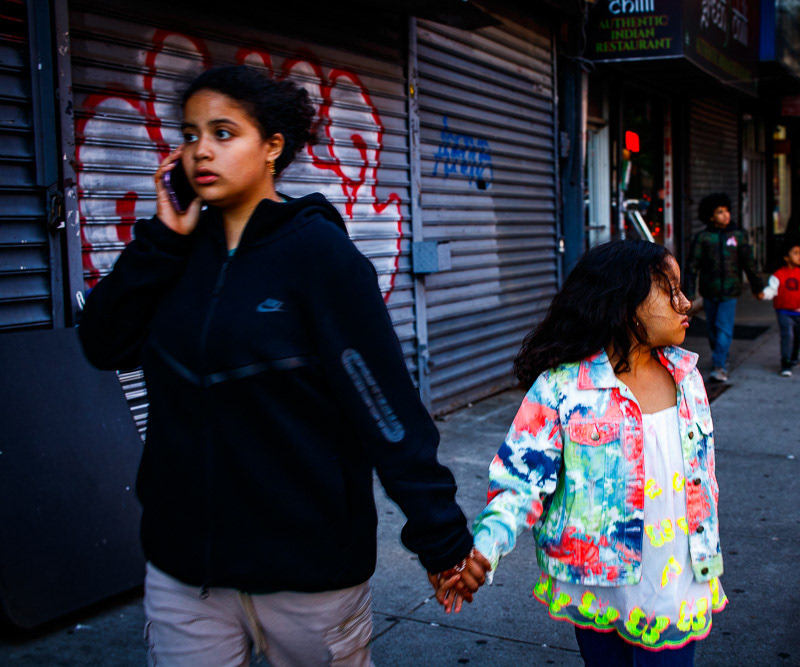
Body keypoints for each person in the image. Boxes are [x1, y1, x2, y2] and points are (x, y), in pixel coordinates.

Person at [78, 65, 487, 667]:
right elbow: (102, 343)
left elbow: (384, 408)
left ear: (273, 146)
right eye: (190, 135)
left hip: (308, 572)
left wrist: (441, 537)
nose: (201, 150)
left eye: (223, 133)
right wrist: (162, 238)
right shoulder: (174, 254)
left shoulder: (319, 255)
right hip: (186, 570)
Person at [448, 240, 727, 665]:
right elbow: (520, 483)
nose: (685, 303)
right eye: (669, 291)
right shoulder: (561, 388)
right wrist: (484, 549)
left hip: (678, 578)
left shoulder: (688, 378)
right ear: (625, 305)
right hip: (597, 583)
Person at [683, 193, 764, 383]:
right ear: (711, 216)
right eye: (720, 212)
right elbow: (692, 267)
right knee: (712, 329)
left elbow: (749, 263)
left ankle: (719, 366)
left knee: (723, 327)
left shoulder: (738, 236)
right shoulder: (703, 238)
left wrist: (757, 287)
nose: (725, 215)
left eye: (726, 211)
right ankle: (721, 354)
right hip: (709, 291)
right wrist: (689, 294)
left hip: (730, 291)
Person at [759, 241, 800, 377]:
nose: (799, 256)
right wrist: (764, 295)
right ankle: (786, 363)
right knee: (787, 336)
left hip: (798, 312)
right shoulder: (778, 275)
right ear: (786, 257)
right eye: (795, 253)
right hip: (783, 311)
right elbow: (772, 289)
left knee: (798, 336)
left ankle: (794, 357)